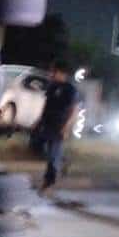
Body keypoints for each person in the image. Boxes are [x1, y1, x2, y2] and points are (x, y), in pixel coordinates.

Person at [37, 59, 82, 193]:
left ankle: (48, 182)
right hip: (47, 124)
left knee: (52, 155)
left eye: (54, 71)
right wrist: (39, 121)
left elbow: (74, 110)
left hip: (60, 126)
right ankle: (63, 161)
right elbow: (46, 105)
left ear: (62, 73)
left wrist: (66, 127)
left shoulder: (70, 90)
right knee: (46, 150)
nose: (51, 73)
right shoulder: (52, 87)